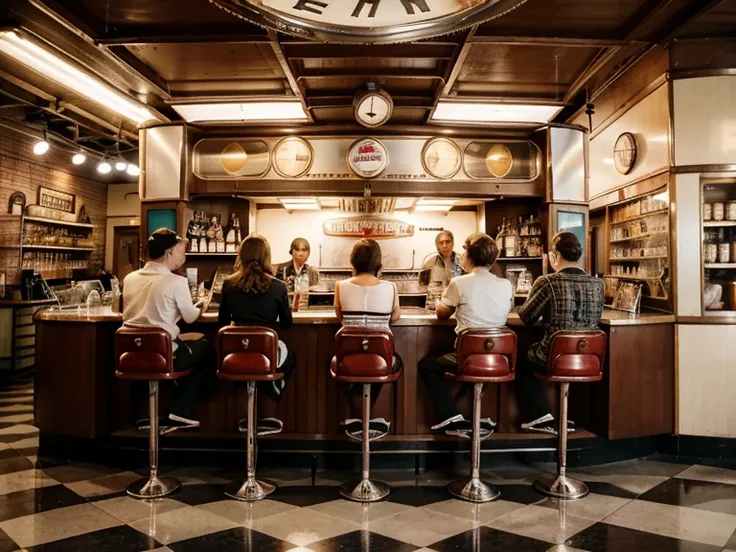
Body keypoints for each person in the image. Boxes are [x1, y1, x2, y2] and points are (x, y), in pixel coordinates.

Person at [418, 233, 513, 436]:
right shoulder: (506, 285)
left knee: (427, 365)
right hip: (497, 359)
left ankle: (452, 417)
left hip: (467, 357)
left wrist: (439, 301)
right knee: (467, 361)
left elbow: (442, 313)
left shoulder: (460, 283)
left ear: (468, 256)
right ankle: (473, 417)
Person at [123, 228, 210, 434]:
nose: (184, 257)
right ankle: (179, 411)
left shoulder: (129, 278)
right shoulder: (176, 281)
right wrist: (202, 305)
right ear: (168, 253)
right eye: (181, 252)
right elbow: (190, 316)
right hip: (164, 354)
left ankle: (144, 414)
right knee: (208, 351)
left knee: (179, 347)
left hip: (131, 353)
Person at [517, 231, 604, 434]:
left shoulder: (548, 281)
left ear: (554, 255)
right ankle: (569, 417)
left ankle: (541, 414)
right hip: (588, 358)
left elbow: (526, 318)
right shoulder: (598, 284)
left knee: (517, 361)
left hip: (553, 357)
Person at [218, 234, 296, 435]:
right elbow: (287, 324)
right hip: (266, 352)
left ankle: (247, 414)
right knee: (291, 358)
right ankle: (271, 392)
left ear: (241, 256)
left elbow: (222, 322)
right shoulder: (278, 286)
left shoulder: (228, 284)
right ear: (266, 257)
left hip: (235, 352)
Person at [334, 239, 401, 438]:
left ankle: (357, 413)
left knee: (341, 363)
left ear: (353, 261)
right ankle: (370, 415)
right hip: (381, 358)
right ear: (378, 262)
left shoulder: (340, 285)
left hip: (347, 357)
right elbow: (395, 316)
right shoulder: (391, 287)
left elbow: (340, 316)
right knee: (391, 361)